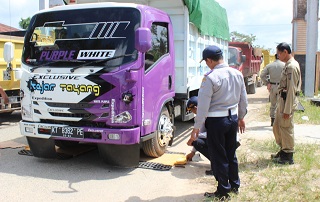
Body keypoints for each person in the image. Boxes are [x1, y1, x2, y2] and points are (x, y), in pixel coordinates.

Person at [190, 45, 248, 200]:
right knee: (231, 154)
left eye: (206, 62)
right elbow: (243, 99)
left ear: (209, 60)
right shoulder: (237, 74)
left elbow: (202, 106)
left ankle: (223, 191)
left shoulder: (210, 78)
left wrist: (197, 127)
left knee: (219, 156)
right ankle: (234, 185)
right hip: (233, 118)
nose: (207, 64)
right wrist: (241, 117)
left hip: (216, 121)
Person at [185, 96, 241, 176]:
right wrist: (193, 152)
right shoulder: (206, 113)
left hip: (226, 138)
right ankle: (223, 165)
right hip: (230, 138)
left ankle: (218, 167)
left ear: (196, 107)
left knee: (203, 142)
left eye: (191, 110)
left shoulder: (208, 115)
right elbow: (203, 133)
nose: (192, 112)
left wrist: (194, 137)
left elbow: (212, 133)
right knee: (198, 142)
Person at [271, 42, 301, 165]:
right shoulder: (287, 65)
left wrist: (287, 110)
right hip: (282, 101)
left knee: (286, 128)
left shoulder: (292, 67)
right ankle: (283, 150)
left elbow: (291, 90)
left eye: (279, 53)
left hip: (286, 102)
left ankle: (288, 155)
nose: (278, 56)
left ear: (285, 52)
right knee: (277, 127)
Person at [260, 54, 285, 126]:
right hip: (281, 87)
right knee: (281, 104)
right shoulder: (284, 65)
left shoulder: (270, 65)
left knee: (273, 104)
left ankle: (272, 121)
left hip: (272, 86)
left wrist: (267, 83)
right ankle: (279, 121)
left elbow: (262, 75)